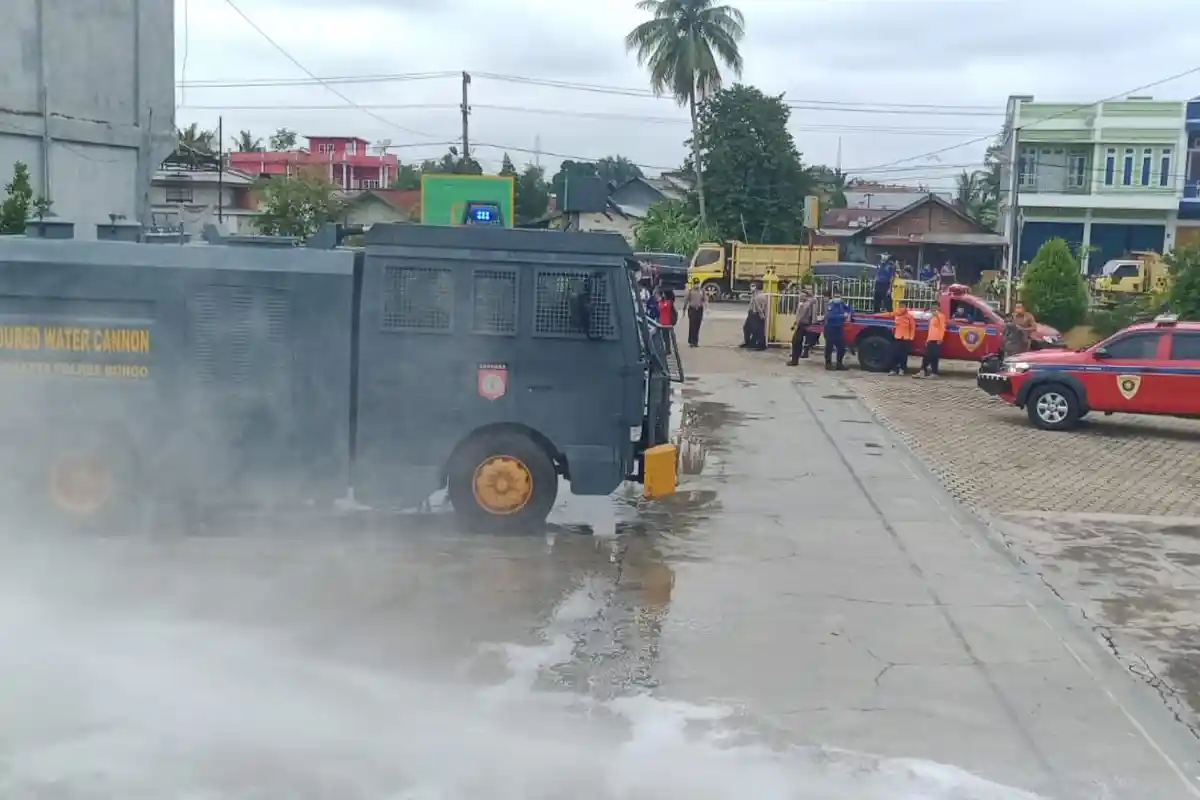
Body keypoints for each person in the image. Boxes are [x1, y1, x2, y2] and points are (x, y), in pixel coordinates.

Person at [823, 288, 852, 371]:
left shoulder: (841, 304)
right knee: (829, 347)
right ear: (832, 297)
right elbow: (830, 316)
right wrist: (842, 316)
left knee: (841, 347)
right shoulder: (830, 305)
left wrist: (849, 313)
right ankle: (828, 364)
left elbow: (849, 309)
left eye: (838, 296)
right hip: (830, 328)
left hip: (839, 328)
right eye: (836, 296)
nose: (837, 298)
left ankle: (839, 364)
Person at [787, 288, 816, 365]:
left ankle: (795, 360)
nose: (800, 296)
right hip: (806, 324)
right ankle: (796, 357)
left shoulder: (806, 304)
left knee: (796, 342)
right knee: (800, 342)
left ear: (805, 295)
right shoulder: (810, 302)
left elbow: (800, 316)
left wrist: (796, 324)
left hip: (803, 324)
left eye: (801, 294)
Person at [916, 305, 946, 378]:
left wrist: (940, 338)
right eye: (932, 308)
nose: (933, 309)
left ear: (939, 308)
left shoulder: (941, 316)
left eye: (935, 307)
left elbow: (942, 328)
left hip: (936, 339)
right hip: (931, 338)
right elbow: (930, 329)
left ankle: (926, 371)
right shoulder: (931, 317)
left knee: (931, 356)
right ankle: (928, 371)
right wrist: (927, 339)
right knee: (929, 355)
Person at [741, 283, 768, 351]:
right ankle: (750, 343)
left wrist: (762, 315)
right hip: (753, 313)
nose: (751, 288)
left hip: (756, 314)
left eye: (753, 286)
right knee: (748, 328)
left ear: (756, 288)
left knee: (758, 330)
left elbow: (759, 307)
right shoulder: (755, 295)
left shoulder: (758, 296)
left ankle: (760, 345)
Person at [682, 278, 706, 347]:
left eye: (697, 283)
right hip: (692, 310)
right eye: (695, 283)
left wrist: (707, 307)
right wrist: (684, 310)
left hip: (699, 309)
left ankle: (696, 341)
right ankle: (691, 341)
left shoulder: (702, 291)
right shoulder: (690, 291)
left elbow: (705, 299)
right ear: (693, 284)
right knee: (692, 325)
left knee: (697, 326)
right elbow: (686, 301)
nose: (696, 285)